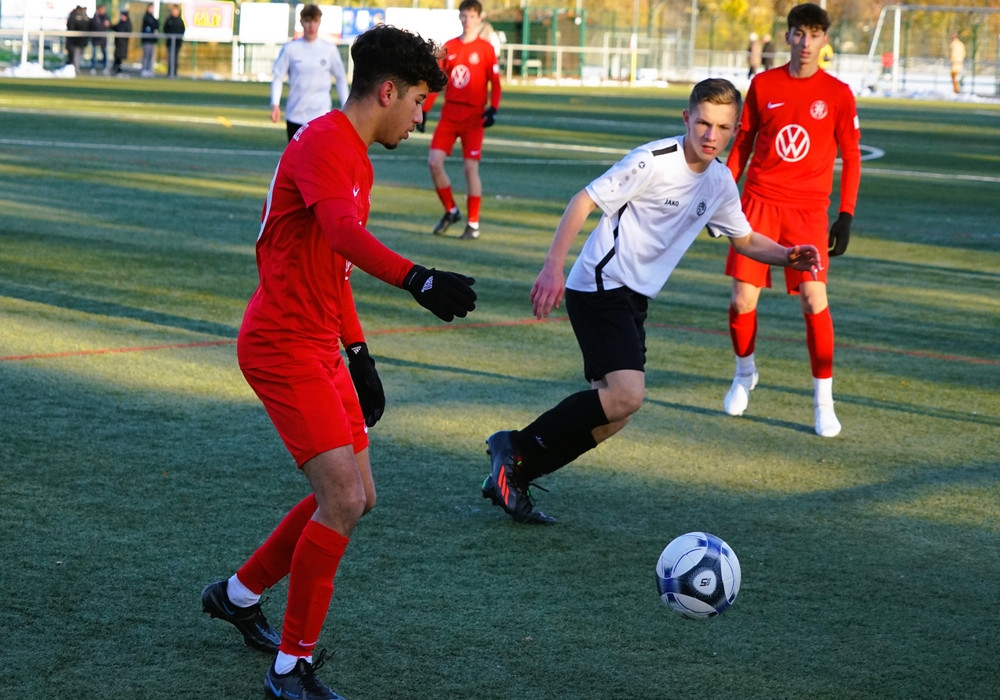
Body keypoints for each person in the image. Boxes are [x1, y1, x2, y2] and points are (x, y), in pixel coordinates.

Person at [200, 25, 476, 699]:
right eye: (419, 102)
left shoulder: (356, 157)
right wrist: (418, 278)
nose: (420, 118)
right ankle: (290, 668)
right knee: (343, 499)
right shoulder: (325, 142)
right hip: (282, 344)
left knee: (359, 497)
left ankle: (237, 595)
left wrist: (358, 352)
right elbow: (343, 233)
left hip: (320, 342)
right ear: (388, 91)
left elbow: (336, 263)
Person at [478, 78, 821, 524]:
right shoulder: (652, 161)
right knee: (627, 395)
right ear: (686, 118)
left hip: (634, 297)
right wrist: (552, 267)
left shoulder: (719, 181)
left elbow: (746, 239)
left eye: (722, 127)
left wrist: (787, 255)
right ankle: (513, 448)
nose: (710, 135)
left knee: (614, 414)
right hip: (601, 284)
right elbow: (583, 200)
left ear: (736, 130)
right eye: (703, 123)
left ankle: (515, 475)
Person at [722, 3, 861, 438]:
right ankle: (744, 373)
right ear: (787, 37)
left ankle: (824, 402)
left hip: (808, 211)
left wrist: (845, 215)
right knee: (743, 300)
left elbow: (851, 156)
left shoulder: (838, 93)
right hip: (759, 203)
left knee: (814, 301)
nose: (805, 43)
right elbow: (742, 144)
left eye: (814, 34)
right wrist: (721, 199)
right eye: (799, 33)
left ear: (824, 40)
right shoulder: (763, 84)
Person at [422, 0, 502, 240]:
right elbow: (438, 83)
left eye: (472, 16)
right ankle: (451, 210)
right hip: (449, 115)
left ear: (479, 19)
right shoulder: (450, 47)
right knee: (434, 162)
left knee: (470, 168)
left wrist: (493, 109)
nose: (467, 20)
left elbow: (496, 83)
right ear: (459, 17)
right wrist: (424, 109)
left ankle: (473, 224)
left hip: (473, 117)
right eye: (464, 16)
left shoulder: (486, 49)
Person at [270, 4, 350, 142]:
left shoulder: (329, 50)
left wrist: (346, 107)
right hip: (295, 115)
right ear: (301, 22)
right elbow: (278, 77)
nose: (311, 25)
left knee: (320, 155)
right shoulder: (290, 48)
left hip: (321, 116)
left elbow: (341, 79)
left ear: (319, 22)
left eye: (315, 21)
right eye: (307, 21)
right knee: (297, 156)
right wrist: (275, 104)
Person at [162, 4, 185, 78]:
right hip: (170, 43)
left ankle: (174, 72)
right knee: (170, 58)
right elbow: (165, 29)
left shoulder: (180, 21)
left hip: (177, 44)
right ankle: (170, 73)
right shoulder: (169, 20)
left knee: (175, 58)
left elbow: (182, 30)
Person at [65, 5, 90, 72]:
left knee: (76, 56)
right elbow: (72, 27)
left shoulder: (85, 17)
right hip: (74, 41)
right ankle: (73, 69)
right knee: (74, 56)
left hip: (81, 41)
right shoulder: (74, 17)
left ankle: (72, 69)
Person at [89, 5, 110, 73]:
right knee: (94, 54)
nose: (104, 11)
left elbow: (109, 25)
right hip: (96, 38)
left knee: (104, 53)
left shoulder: (106, 17)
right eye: (102, 9)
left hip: (103, 39)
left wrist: (108, 24)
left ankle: (105, 68)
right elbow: (94, 26)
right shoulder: (95, 17)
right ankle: (93, 67)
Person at [140, 4, 158, 77]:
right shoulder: (146, 17)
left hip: (152, 40)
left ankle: (149, 70)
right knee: (146, 55)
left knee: (151, 56)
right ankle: (144, 69)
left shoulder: (153, 18)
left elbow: (156, 25)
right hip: (147, 40)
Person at [112, 9, 132, 75]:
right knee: (117, 57)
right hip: (118, 43)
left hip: (123, 43)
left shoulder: (127, 24)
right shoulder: (120, 23)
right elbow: (115, 27)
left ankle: (118, 69)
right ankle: (115, 68)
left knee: (120, 57)